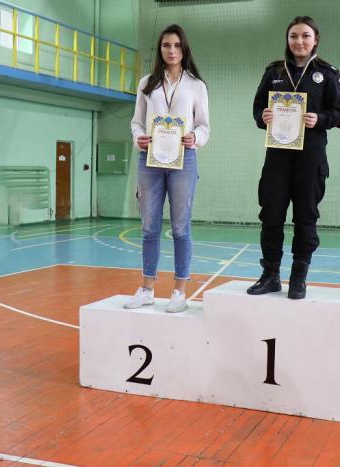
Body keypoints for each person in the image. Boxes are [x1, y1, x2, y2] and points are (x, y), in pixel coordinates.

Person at [248, 16, 340, 299]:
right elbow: (257, 108)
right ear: (287, 39)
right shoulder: (274, 72)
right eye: (294, 36)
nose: (299, 41)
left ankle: (298, 277)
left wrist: (321, 119)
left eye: (305, 36)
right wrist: (263, 116)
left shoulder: (327, 73)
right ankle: (270, 275)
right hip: (277, 157)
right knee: (271, 215)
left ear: (316, 40)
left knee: (306, 217)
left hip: (310, 158)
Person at [125, 24, 209, 313]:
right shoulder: (146, 83)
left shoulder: (196, 85)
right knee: (149, 226)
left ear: (184, 49)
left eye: (176, 45)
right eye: (166, 45)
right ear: (160, 49)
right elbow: (136, 122)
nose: (171, 50)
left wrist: (195, 137)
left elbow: (204, 126)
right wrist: (138, 137)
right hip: (149, 160)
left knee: (180, 227)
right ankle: (147, 289)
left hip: (184, 160)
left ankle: (179, 292)